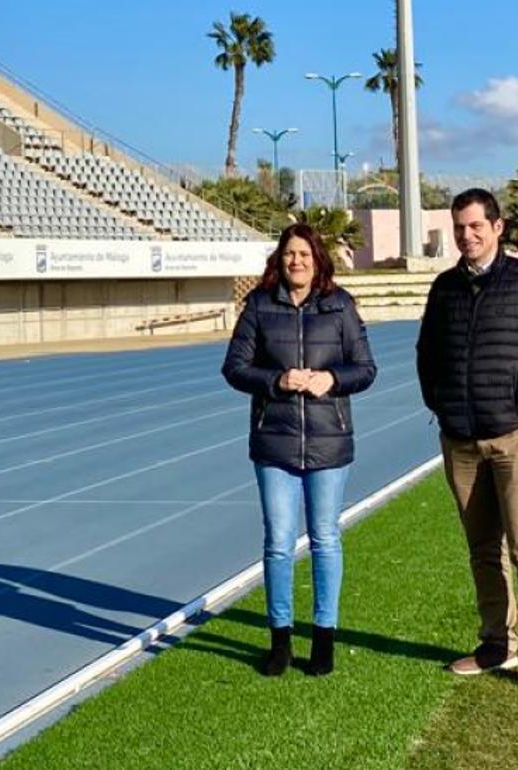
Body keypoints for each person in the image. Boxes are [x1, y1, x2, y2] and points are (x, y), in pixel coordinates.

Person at [416, 188, 518, 697]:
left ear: (497, 227)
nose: (467, 236)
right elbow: (427, 353)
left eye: (476, 226)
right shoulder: (444, 289)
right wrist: (440, 403)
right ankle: (495, 645)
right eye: (460, 227)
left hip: (517, 436)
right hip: (460, 441)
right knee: (482, 550)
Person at [222, 223, 377, 676]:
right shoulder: (258, 305)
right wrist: (275, 380)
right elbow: (234, 367)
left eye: (305, 254)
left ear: (317, 260)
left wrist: (333, 379)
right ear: (280, 259)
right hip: (275, 443)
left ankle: (324, 639)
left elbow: (366, 369)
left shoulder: (340, 306)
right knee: (278, 542)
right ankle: (280, 641)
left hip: (330, 441)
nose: (297, 262)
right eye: (290, 254)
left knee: (325, 539)